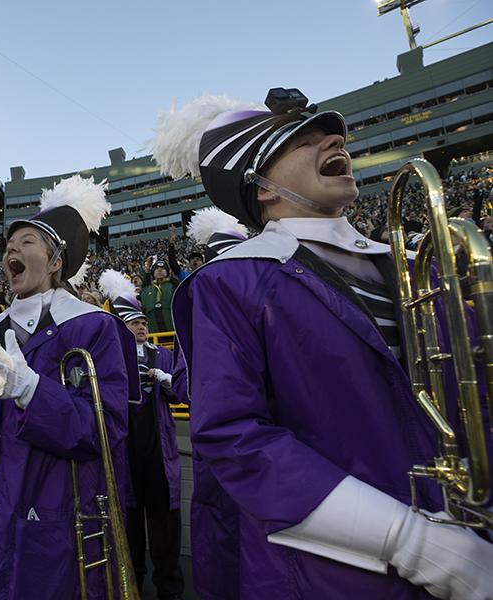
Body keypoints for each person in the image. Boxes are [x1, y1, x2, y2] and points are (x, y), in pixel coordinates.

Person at [152, 87, 493, 598]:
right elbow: (236, 438)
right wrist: (411, 542)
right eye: (301, 141)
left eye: (329, 133)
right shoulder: (229, 281)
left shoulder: (418, 260)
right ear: (263, 187)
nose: (334, 138)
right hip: (334, 573)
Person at [0, 175, 139, 599]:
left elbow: (103, 432)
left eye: (26, 242)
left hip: (59, 520)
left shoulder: (95, 326)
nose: (10, 251)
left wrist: (32, 392)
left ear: (56, 260)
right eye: (9, 246)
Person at [99, 269, 184, 600]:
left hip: (159, 456)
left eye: (144, 322)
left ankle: (170, 588)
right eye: (134, 322)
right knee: (129, 524)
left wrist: (166, 379)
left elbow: (181, 393)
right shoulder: (115, 357)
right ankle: (131, 583)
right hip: (128, 453)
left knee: (165, 524)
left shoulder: (162, 354)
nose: (142, 326)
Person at [139, 259, 176, 333]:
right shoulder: (146, 290)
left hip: (174, 333)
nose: (159, 270)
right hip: (153, 336)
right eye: (156, 268)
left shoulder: (173, 286)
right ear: (152, 273)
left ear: (167, 272)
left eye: (163, 268)